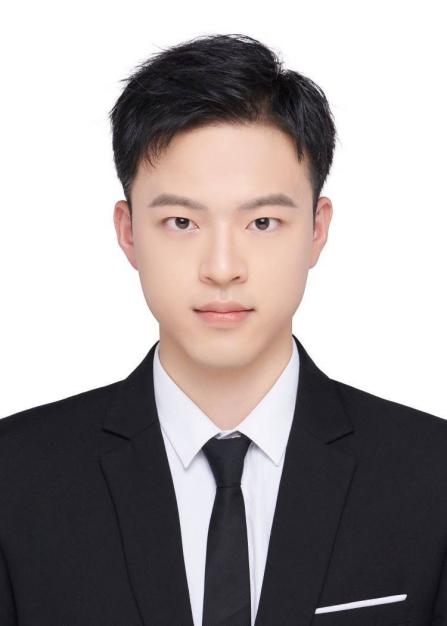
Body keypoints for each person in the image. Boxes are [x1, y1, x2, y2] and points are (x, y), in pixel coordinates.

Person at [0, 33, 446, 626]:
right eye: (181, 222)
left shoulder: (431, 475)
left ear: (317, 229)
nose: (221, 267)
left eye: (262, 222)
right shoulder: (16, 477)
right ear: (128, 231)